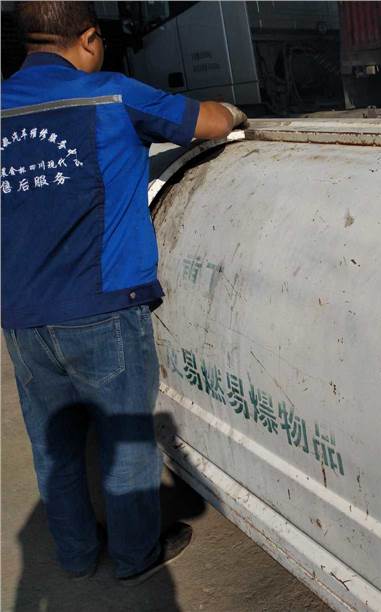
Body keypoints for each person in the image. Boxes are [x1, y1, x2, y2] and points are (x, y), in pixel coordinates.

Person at [0, 2, 246, 586]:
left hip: (22, 317)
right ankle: (136, 557)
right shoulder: (112, 95)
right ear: (89, 38)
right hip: (104, 310)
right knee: (126, 444)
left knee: (55, 448)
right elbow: (211, 121)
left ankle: (76, 555)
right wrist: (236, 110)